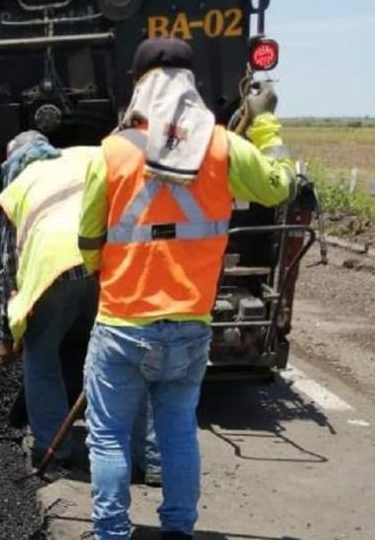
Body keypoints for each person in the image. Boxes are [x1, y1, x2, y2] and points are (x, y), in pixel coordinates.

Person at [77, 38, 296, 540]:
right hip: (191, 326)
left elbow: (89, 243)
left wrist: (108, 271)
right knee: (178, 432)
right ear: (189, 84)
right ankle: (178, 531)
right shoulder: (223, 146)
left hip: (122, 326)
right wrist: (263, 124)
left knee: (109, 436)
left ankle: (110, 533)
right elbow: (280, 185)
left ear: (139, 87)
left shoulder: (109, 153)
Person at [0, 132, 159, 480]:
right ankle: (149, 460)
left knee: (40, 357)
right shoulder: (84, 155)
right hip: (112, 264)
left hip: (55, 271)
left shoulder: (17, 188)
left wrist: (7, 335)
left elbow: (9, 267)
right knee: (129, 360)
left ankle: (53, 449)